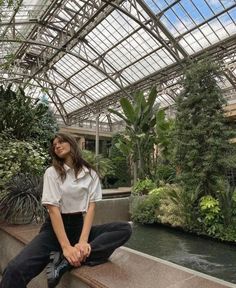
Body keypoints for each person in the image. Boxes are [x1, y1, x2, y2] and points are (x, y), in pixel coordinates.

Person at [0, 132, 132, 288]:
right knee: (14, 270)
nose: (57, 146)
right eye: (54, 145)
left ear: (72, 143)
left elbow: (91, 208)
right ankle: (67, 256)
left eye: (61, 142)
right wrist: (66, 247)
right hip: (54, 231)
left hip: (78, 227)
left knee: (124, 229)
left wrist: (82, 242)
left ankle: (64, 264)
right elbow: (53, 210)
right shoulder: (52, 172)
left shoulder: (91, 174)